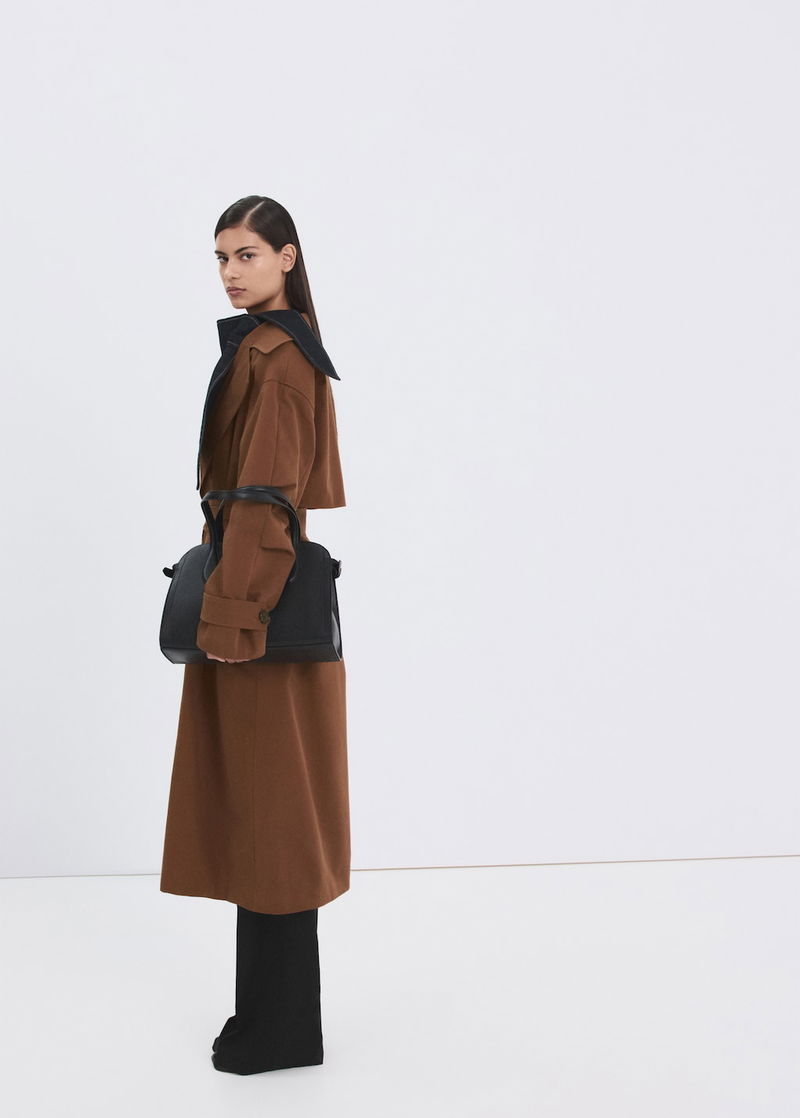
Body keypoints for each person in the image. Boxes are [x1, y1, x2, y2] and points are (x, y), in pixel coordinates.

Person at [159, 195, 351, 1075]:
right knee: (260, 810)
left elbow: (267, 500)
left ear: (287, 256)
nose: (231, 272)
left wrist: (233, 617)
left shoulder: (278, 360)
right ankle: (274, 1018)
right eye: (220, 258)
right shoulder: (267, 348)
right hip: (253, 599)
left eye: (247, 254)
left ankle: (280, 1029)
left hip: (258, 612)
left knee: (271, 814)